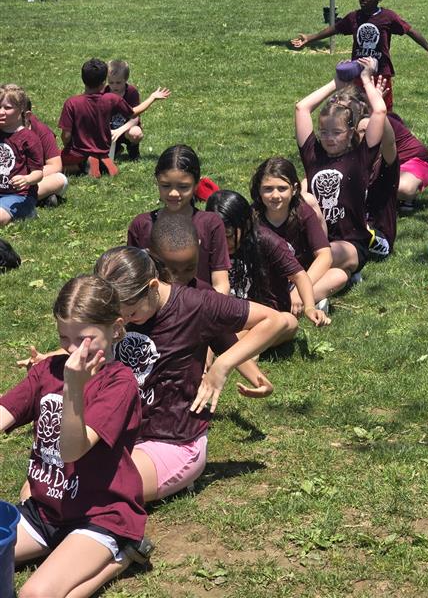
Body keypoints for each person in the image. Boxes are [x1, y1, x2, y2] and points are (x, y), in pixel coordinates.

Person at [94, 246, 294, 501]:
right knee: (48, 484)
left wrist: (222, 366)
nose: (123, 321)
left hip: (172, 441)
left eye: (131, 313)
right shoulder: (120, 308)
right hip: (120, 431)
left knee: (95, 491)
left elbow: (275, 320)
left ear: (153, 286)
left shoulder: (195, 304)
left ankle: (125, 537)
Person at [0, 275, 148, 598]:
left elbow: (72, 450)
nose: (70, 348)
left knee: (34, 594)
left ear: (116, 328)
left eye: (83, 338)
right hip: (44, 510)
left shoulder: (119, 384)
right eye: (63, 336)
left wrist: (72, 388)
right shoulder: (47, 370)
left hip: (100, 515)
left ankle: (120, 554)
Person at [290, 0, 428, 111]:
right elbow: (335, 29)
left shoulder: (387, 17)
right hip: (357, 72)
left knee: (382, 110)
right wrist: (310, 38)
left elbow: (410, 31)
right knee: (357, 108)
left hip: (381, 73)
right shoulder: (354, 17)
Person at [295, 58, 386, 278]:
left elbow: (380, 112)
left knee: (318, 256)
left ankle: (299, 288)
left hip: (349, 244)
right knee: (335, 277)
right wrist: (336, 83)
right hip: (317, 239)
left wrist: (365, 79)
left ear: (351, 133)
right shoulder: (313, 155)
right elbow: (301, 107)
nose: (328, 138)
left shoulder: (360, 158)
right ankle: (313, 295)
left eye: (336, 133)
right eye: (324, 132)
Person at [206, 190, 330, 328]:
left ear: (246, 224)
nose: (223, 242)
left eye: (228, 236)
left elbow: (299, 276)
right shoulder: (206, 244)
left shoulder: (266, 241)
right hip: (228, 314)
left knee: (288, 322)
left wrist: (309, 307)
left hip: (268, 315)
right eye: (217, 235)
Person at [128, 145, 231, 294]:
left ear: (196, 185)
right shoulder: (142, 225)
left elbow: (221, 284)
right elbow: (133, 281)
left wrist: (209, 311)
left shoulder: (210, 224)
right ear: (157, 181)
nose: (174, 193)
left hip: (200, 308)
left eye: (183, 187)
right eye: (165, 185)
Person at [250, 156, 348, 312]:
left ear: (294, 189)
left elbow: (325, 255)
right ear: (258, 190)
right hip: (266, 283)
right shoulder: (252, 217)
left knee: (339, 275)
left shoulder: (303, 212)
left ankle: (297, 301)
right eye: (268, 189)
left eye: (282, 188)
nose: (275, 195)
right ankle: (301, 303)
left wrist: (298, 292)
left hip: (298, 279)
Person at [59, 58, 170, 178]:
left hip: (81, 150)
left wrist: (67, 146)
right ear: (104, 82)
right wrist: (152, 98)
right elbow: (134, 112)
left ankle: (84, 165)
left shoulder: (72, 103)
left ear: (83, 80)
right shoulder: (111, 98)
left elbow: (66, 136)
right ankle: (104, 161)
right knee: (99, 154)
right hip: (103, 148)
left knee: (56, 161)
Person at [0, 83, 43, 227]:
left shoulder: (29, 138)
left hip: (18, 195)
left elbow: (38, 173)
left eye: (7, 108)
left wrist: (27, 179)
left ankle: (27, 211)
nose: (1, 111)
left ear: (21, 111)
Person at [24, 97, 68, 209]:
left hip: (31, 179)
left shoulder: (40, 130)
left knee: (60, 179)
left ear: (27, 115)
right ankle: (38, 198)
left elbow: (55, 166)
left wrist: (27, 177)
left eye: (8, 108)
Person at [148, 211, 205, 289]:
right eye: (172, 271)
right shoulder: (141, 294)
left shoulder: (205, 294)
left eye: (189, 269)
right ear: (152, 255)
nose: (181, 280)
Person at [104, 59, 143, 161]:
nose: (114, 86)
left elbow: (135, 118)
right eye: (111, 82)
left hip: (127, 129)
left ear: (126, 79)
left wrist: (120, 130)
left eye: (118, 82)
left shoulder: (131, 92)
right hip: (109, 131)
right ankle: (116, 148)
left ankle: (133, 149)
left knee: (136, 133)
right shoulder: (104, 92)